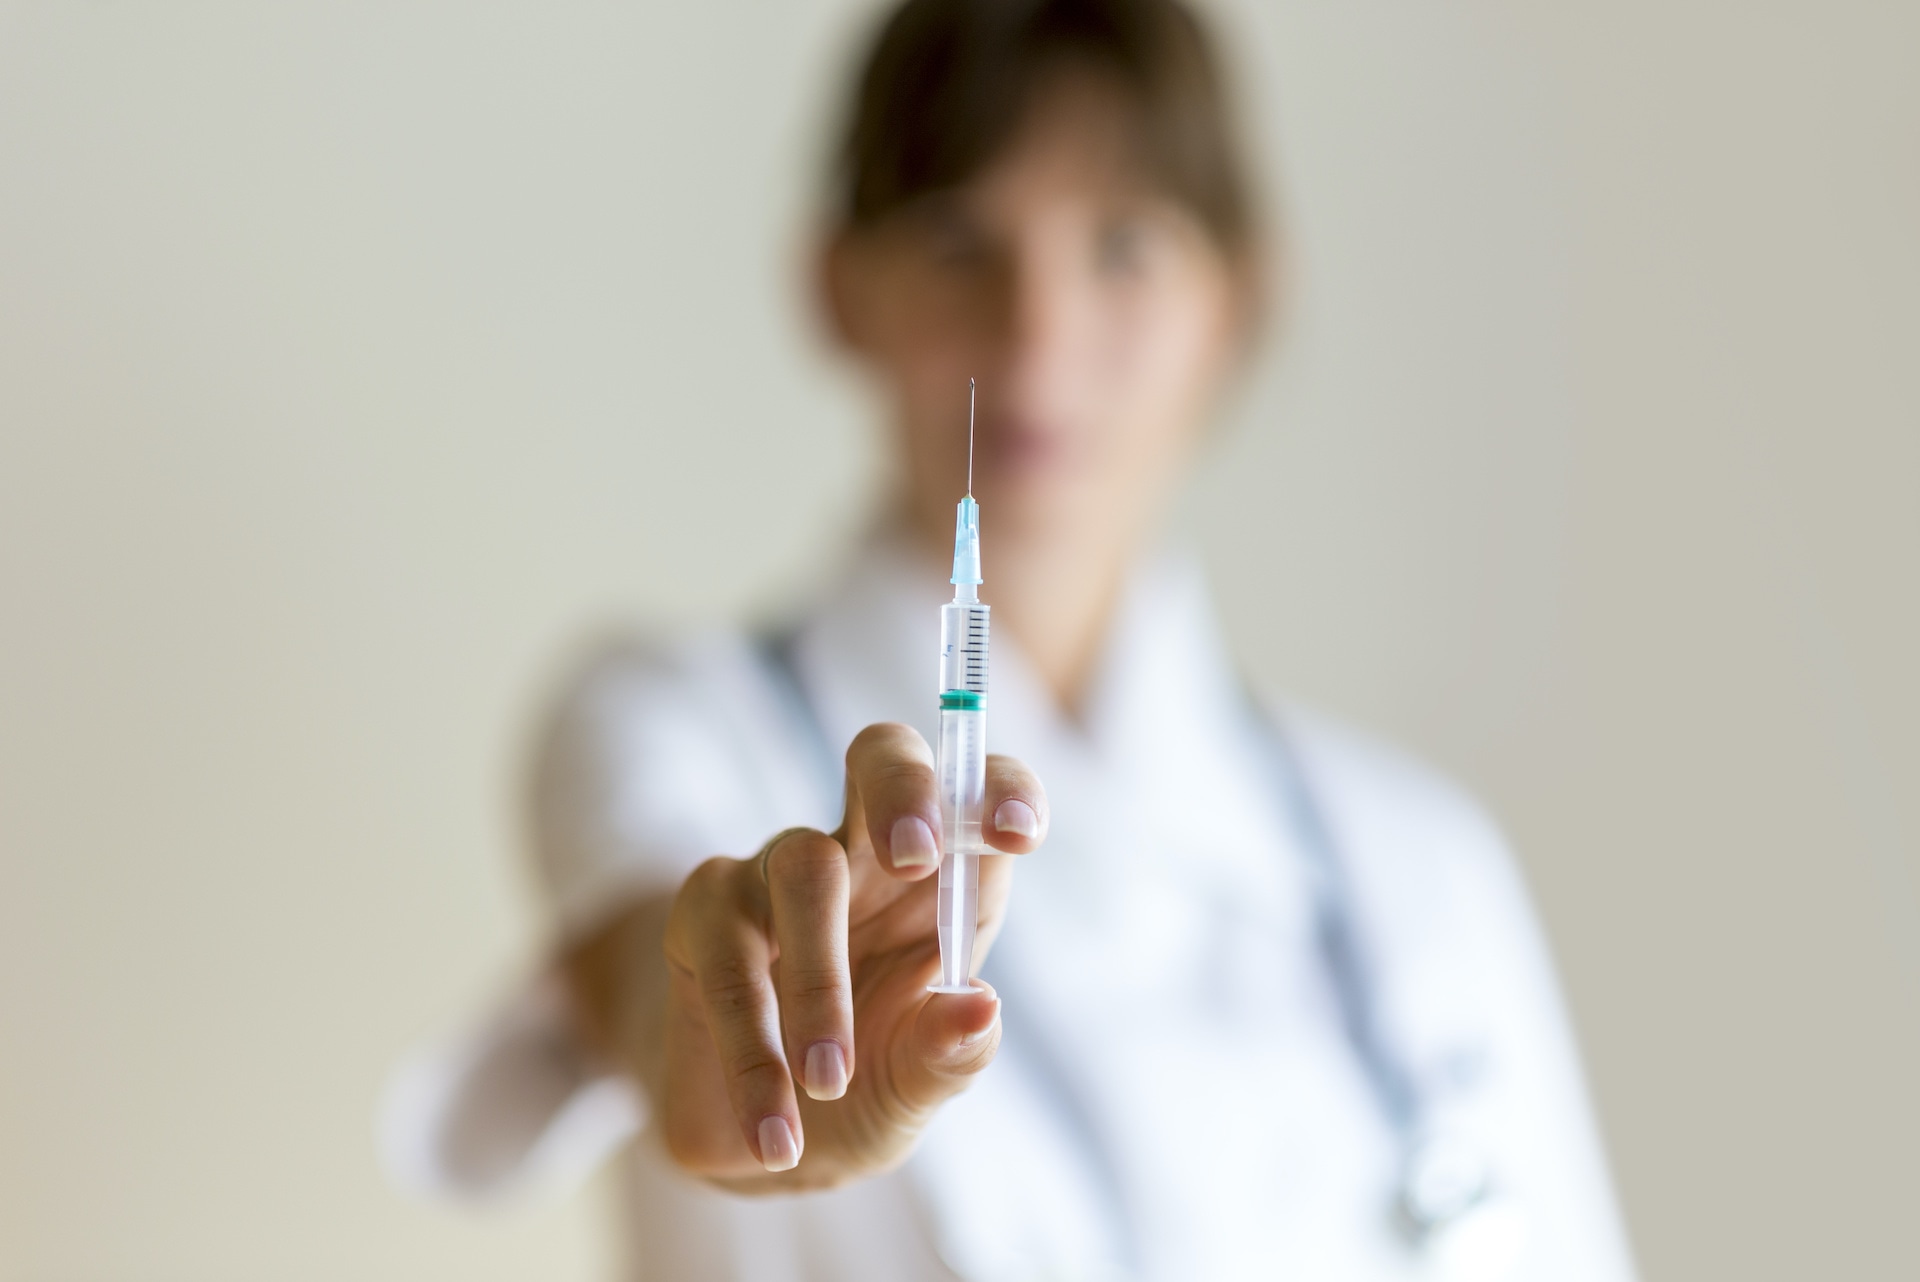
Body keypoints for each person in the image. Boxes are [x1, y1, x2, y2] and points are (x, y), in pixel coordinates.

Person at [382, 1, 1637, 1277]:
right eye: (958, 242)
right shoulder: (679, 723)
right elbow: (654, 964)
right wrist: (710, 1037)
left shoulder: (1419, 868)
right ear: (838, 287)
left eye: (1124, 245)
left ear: (1238, 301)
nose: (1038, 336)